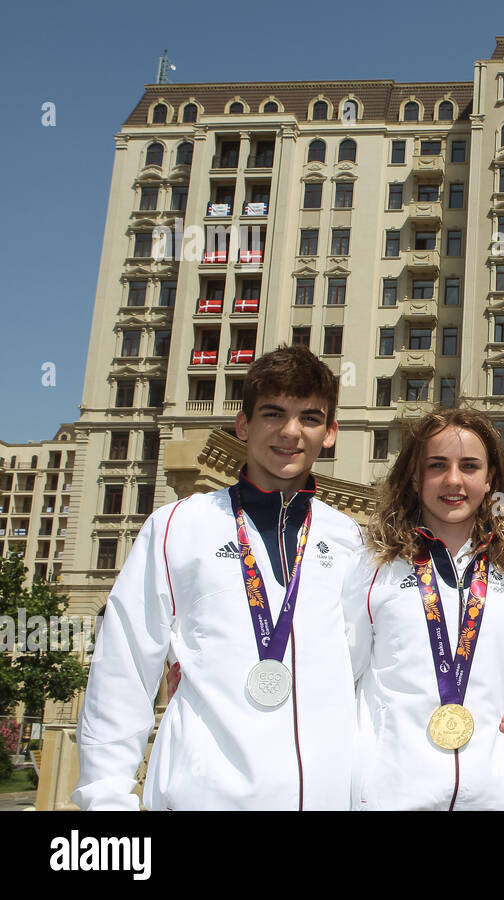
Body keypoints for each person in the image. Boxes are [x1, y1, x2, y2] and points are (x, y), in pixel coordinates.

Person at [74, 345, 363, 810]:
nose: (291, 432)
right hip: (202, 798)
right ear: (243, 424)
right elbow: (124, 666)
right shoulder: (177, 527)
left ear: (329, 433)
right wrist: (106, 798)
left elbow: (370, 667)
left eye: (310, 418)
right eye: (273, 414)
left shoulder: (348, 538)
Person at [345, 407, 504, 810]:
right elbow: (335, 678)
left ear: (490, 477)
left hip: (492, 797)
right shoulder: (371, 564)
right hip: (391, 796)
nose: (453, 480)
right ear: (415, 475)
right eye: (437, 465)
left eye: (470, 466)